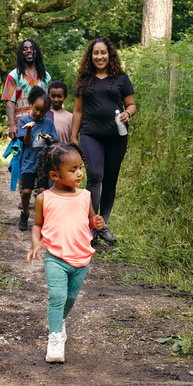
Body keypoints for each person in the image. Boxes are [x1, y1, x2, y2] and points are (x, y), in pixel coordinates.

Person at [27, 142, 104, 363]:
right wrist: (35, 243)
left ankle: (59, 321)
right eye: (73, 170)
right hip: (56, 258)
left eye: (80, 167)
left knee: (70, 297)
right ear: (55, 174)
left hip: (82, 258)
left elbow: (89, 218)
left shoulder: (85, 196)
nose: (80, 173)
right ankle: (55, 339)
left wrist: (96, 221)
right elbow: (37, 225)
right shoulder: (45, 199)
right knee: (57, 296)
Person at [70, 37, 136, 245]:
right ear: (90, 56)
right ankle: (90, 225)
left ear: (110, 55)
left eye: (103, 53)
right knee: (95, 175)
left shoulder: (121, 79)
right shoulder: (84, 79)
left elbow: (132, 104)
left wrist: (128, 113)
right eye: (96, 53)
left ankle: (103, 224)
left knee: (110, 180)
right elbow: (78, 110)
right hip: (91, 134)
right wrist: (73, 136)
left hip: (117, 137)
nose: (100, 56)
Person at [17, 86, 58, 231]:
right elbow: (26, 142)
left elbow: (54, 142)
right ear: (31, 104)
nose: (39, 113)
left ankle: (40, 218)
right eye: (36, 109)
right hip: (29, 162)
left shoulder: (49, 123)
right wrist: (28, 129)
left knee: (42, 191)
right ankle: (25, 212)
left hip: (43, 164)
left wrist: (48, 139)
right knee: (26, 191)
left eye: (42, 111)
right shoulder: (23, 121)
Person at [1, 39, 51, 140]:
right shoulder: (13, 76)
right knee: (22, 154)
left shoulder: (45, 76)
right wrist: (11, 125)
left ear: (36, 51)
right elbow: (10, 102)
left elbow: (49, 104)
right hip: (21, 125)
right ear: (21, 53)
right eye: (25, 49)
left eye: (32, 48)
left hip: (41, 124)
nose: (28, 51)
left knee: (41, 153)